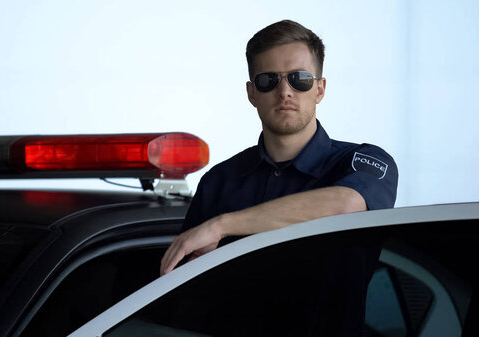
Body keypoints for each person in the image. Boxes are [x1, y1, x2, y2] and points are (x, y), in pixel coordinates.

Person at [160, 20, 398, 275]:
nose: (285, 91)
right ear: (252, 93)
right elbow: (186, 291)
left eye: (300, 79)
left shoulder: (363, 161)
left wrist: (222, 225)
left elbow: (345, 205)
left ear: (320, 89)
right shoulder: (218, 182)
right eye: (268, 80)